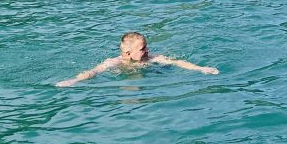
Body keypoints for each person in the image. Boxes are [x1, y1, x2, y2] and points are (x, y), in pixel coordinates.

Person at [56, 31, 219, 87]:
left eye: (147, 47)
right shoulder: (114, 62)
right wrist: (73, 81)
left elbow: (177, 62)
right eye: (142, 49)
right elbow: (93, 72)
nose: (148, 50)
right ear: (127, 53)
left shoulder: (152, 59)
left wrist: (200, 68)